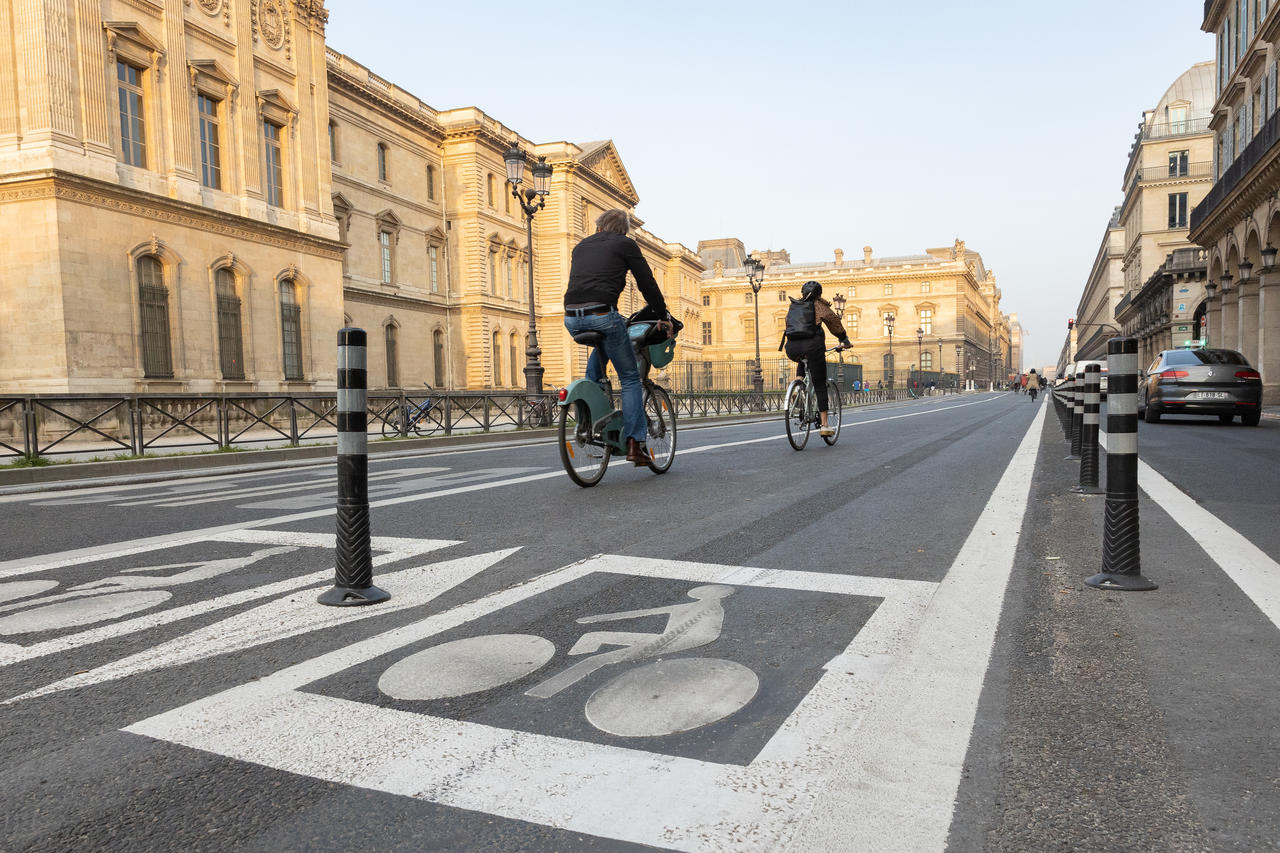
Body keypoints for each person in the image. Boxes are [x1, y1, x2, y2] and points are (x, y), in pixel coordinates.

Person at [563, 209, 670, 466]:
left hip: (571, 318)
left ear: (599, 227)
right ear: (622, 230)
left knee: (602, 351)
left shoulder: (580, 246)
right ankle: (635, 443)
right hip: (603, 313)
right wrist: (661, 313)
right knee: (630, 378)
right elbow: (646, 282)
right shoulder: (625, 244)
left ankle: (591, 416)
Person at [779, 280, 852, 437]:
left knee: (802, 359)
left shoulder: (794, 306)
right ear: (819, 294)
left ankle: (797, 385)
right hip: (813, 347)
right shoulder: (819, 305)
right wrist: (844, 340)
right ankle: (825, 425)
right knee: (819, 383)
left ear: (803, 293)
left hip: (791, 347)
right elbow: (834, 323)